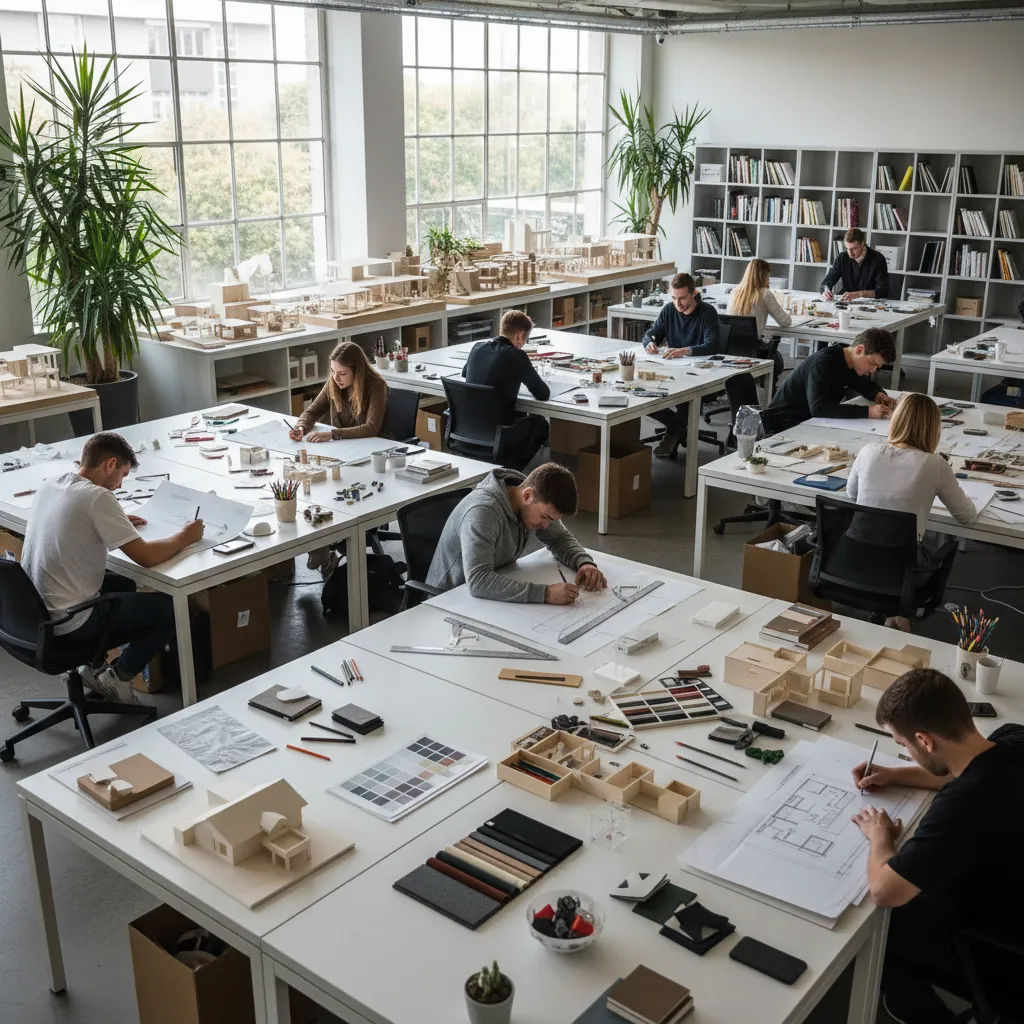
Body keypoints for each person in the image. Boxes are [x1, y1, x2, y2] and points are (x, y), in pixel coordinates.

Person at [850, 668, 1024, 1024]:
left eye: (903, 746)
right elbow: (961, 770)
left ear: (924, 741)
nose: (907, 754)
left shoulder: (965, 804)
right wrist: (895, 774)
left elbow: (885, 890)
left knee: (879, 926)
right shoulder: (1012, 739)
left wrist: (879, 837)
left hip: (1005, 944)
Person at [20, 432, 204, 703]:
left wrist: (113, 520)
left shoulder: (53, 484)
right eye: (123, 474)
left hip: (33, 615)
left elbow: (74, 518)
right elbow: (145, 556)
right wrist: (185, 537)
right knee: (174, 608)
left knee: (125, 584)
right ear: (110, 465)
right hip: (69, 622)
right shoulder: (97, 498)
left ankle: (89, 666)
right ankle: (119, 677)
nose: (120, 485)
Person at [427, 462, 606, 604]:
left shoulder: (530, 496)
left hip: (489, 595)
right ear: (527, 496)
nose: (546, 526)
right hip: (449, 600)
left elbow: (559, 538)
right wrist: (545, 593)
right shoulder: (483, 511)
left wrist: (583, 562)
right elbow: (478, 581)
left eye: (551, 520)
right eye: (545, 517)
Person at [641, 272, 722, 457]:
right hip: (672, 369)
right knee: (643, 393)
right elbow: (649, 334)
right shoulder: (669, 310)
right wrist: (649, 344)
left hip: (702, 373)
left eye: (683, 298)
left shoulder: (707, 312)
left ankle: (672, 434)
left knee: (687, 399)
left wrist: (685, 350)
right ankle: (677, 426)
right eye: (674, 298)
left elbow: (713, 344)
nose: (678, 303)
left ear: (694, 294)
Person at [462, 309, 550, 471]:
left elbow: (465, 373)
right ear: (519, 335)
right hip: (498, 433)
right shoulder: (516, 355)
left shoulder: (478, 348)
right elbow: (543, 393)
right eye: (525, 339)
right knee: (541, 426)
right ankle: (508, 475)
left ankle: (499, 473)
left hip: (469, 431)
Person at [765, 327, 898, 434]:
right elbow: (819, 408)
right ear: (859, 350)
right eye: (872, 363)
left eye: (877, 367)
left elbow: (863, 384)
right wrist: (868, 412)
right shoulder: (824, 363)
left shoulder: (852, 363)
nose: (873, 370)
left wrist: (878, 394)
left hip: (809, 422)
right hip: (782, 425)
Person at [290, 340, 390, 442]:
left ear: (357, 371)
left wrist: (333, 434)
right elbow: (313, 411)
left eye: (342, 374)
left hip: (376, 446)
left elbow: (371, 428)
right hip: (346, 445)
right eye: (333, 371)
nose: (336, 378)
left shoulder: (377, 386)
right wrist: (301, 427)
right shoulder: (334, 382)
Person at [726, 258, 789, 388]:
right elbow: (785, 322)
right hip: (754, 350)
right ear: (764, 275)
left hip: (731, 349)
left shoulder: (734, 292)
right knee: (777, 359)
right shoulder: (764, 294)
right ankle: (769, 391)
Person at [821, 227, 890, 300]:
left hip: (869, 304)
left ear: (862, 244)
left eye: (854, 248)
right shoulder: (842, 258)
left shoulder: (878, 259)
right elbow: (827, 281)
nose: (850, 253)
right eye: (847, 248)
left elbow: (883, 291)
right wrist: (826, 291)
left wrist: (858, 294)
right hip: (846, 302)